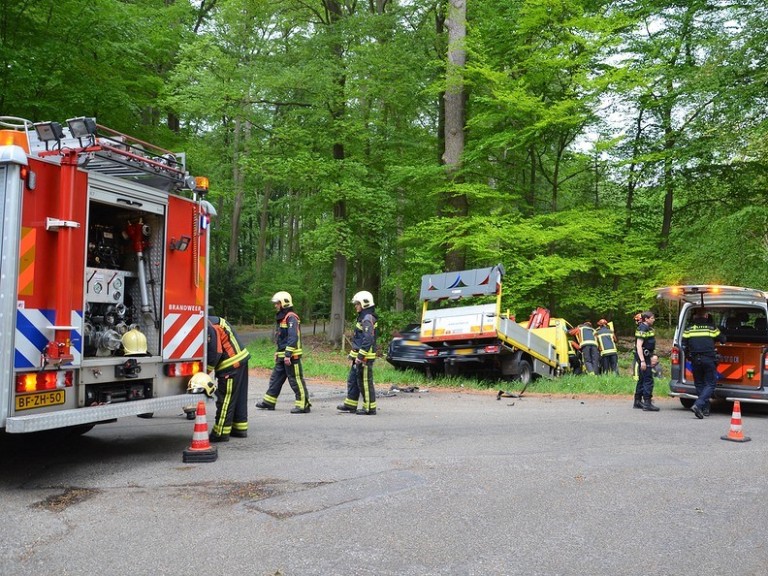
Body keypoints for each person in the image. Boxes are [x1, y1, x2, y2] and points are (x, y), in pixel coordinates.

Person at [255, 291, 311, 413]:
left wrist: (288, 354)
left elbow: (292, 337)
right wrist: (278, 352)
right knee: (275, 379)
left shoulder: (291, 317)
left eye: (277, 303)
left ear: (284, 303)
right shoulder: (283, 317)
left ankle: (303, 404)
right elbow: (282, 338)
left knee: (295, 380)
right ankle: (269, 402)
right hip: (283, 355)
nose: (275, 305)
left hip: (291, 357)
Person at [207, 314, 251, 442]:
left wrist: (205, 372)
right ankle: (239, 428)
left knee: (225, 398)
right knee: (238, 398)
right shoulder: (215, 320)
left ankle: (220, 432)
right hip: (241, 360)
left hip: (230, 365)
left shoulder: (209, 325)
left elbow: (215, 352)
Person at [337, 290, 378, 415]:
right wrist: (353, 354)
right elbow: (359, 339)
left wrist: (361, 356)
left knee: (364, 382)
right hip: (359, 356)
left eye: (357, 304)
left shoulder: (367, 318)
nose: (355, 306)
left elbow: (368, 339)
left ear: (365, 304)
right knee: (353, 380)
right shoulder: (363, 317)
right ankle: (351, 404)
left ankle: (369, 408)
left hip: (365, 357)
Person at [682, 308, 725, 419]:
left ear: (695, 316)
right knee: (711, 384)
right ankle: (698, 404)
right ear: (706, 316)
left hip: (695, 360)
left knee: (699, 383)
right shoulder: (711, 328)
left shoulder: (689, 329)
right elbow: (723, 339)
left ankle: (705, 408)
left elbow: (683, 344)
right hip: (709, 359)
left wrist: (688, 355)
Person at [633, 311, 658, 411]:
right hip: (644, 357)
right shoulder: (642, 329)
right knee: (648, 380)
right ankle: (647, 402)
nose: (653, 319)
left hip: (647, 355)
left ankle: (638, 401)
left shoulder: (648, 328)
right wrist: (642, 361)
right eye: (652, 318)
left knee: (642, 379)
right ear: (646, 319)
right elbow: (639, 346)